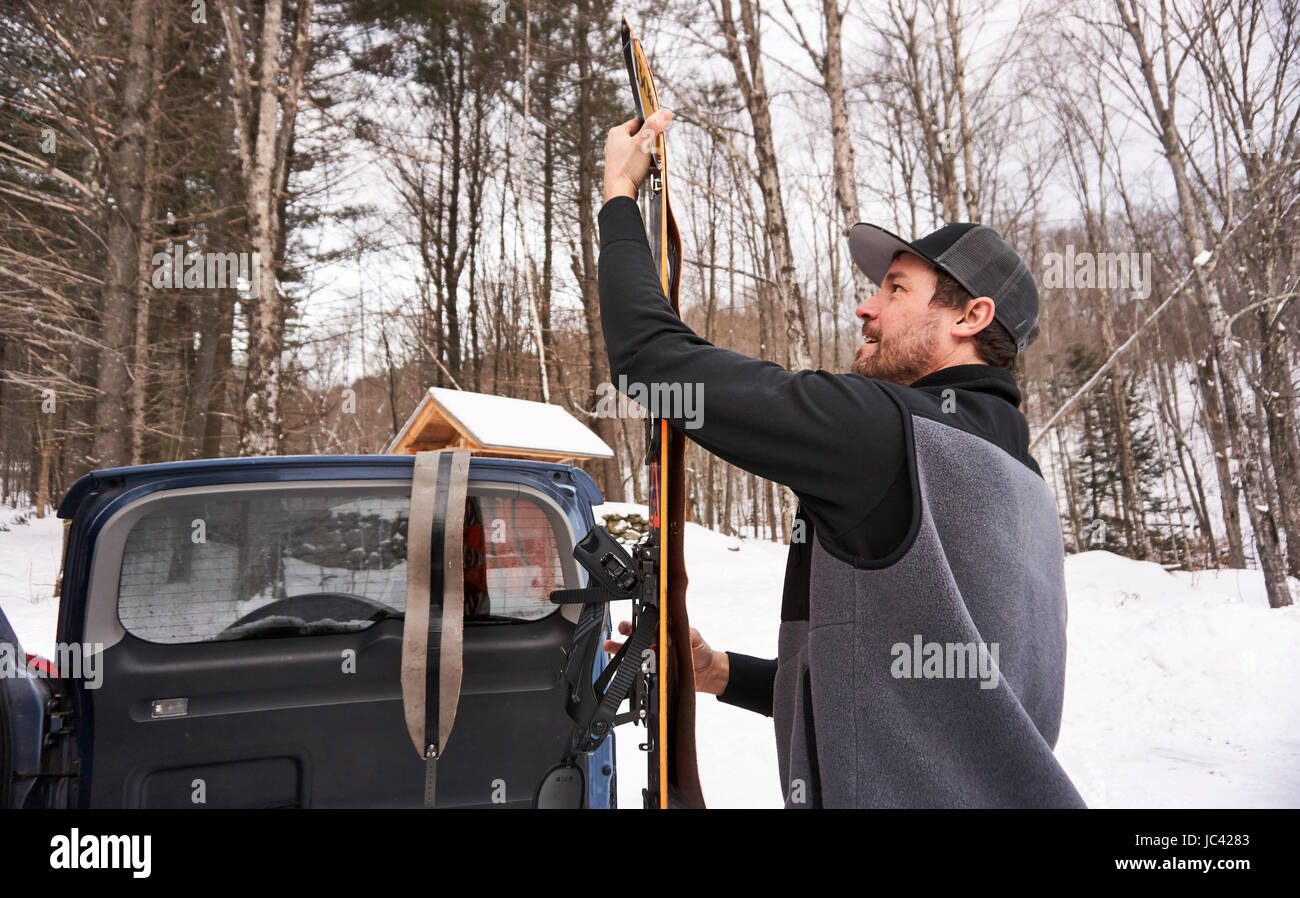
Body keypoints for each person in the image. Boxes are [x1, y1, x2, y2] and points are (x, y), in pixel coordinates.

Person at [597, 109, 1086, 809]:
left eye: (895, 288)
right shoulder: (1027, 483)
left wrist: (619, 194)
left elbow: (653, 363)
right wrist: (723, 673)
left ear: (970, 318)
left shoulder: (891, 435)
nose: (865, 307)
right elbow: (919, 693)